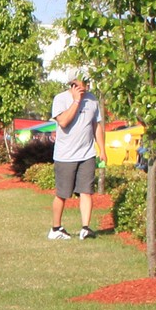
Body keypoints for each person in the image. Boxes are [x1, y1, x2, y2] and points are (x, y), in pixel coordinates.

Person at [47, 74, 104, 240]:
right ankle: (56, 228)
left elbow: (96, 125)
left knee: (86, 191)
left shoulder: (93, 100)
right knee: (62, 194)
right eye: (81, 82)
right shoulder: (60, 99)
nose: (85, 85)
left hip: (87, 153)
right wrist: (76, 101)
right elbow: (63, 122)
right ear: (72, 84)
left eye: (87, 82)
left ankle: (85, 228)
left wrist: (102, 149)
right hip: (65, 156)